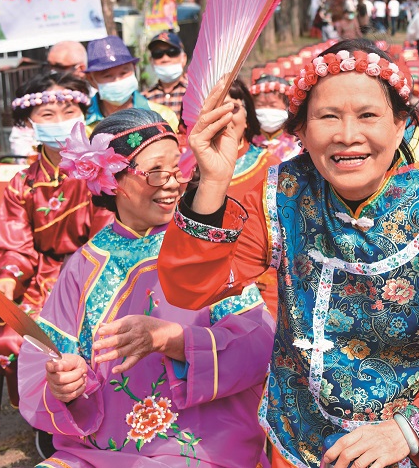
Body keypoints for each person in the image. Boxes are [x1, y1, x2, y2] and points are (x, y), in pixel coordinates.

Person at [156, 39, 419, 468]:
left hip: (415, 450)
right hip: (300, 441)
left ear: (402, 125)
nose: (348, 136)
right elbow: (188, 290)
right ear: (302, 131)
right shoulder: (279, 197)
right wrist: (214, 183)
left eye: (368, 115)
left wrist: (408, 430)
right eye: (328, 116)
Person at [18, 108, 275, 467]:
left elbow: (260, 344)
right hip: (98, 450)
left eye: (177, 169)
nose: (171, 183)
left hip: (200, 447)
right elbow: (45, 357)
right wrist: (67, 382)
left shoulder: (203, 247)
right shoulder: (84, 264)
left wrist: (174, 340)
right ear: (113, 179)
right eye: (156, 172)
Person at [0, 71, 113, 409]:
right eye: (48, 115)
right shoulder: (22, 183)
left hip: (99, 274)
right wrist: (6, 282)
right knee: (9, 336)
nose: (61, 122)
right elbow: (13, 242)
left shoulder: (102, 172)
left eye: (69, 112)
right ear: (29, 123)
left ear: (84, 115)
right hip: (43, 278)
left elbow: (112, 234)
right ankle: (41, 409)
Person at [84, 36, 178, 131]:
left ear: (134, 69)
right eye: (107, 76)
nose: (117, 81)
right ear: (91, 79)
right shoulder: (81, 123)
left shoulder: (163, 117)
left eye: (123, 73)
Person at [249, 76, 302, 162]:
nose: (266, 110)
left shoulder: (298, 142)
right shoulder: (247, 140)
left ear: (287, 106)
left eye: (273, 105)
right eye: (260, 105)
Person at [142, 31, 189, 121]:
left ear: (184, 58)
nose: (165, 58)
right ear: (151, 61)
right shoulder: (144, 99)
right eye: (158, 53)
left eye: (172, 52)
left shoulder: (198, 92)